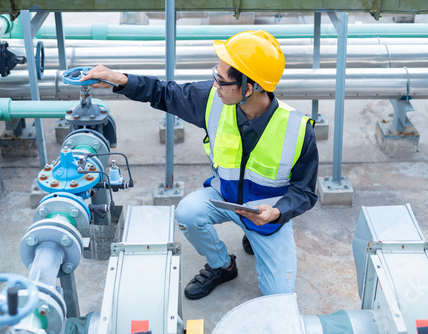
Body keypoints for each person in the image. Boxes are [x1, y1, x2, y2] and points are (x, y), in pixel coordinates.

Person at [82, 30, 319, 300]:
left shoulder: (298, 130)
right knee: (187, 214)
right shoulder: (213, 100)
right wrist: (120, 80)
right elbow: (164, 93)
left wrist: (276, 213)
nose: (214, 84)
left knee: (279, 297)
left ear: (249, 88)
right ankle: (222, 265)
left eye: (222, 80)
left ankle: (255, 234)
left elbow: (305, 192)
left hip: (267, 215)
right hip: (224, 198)